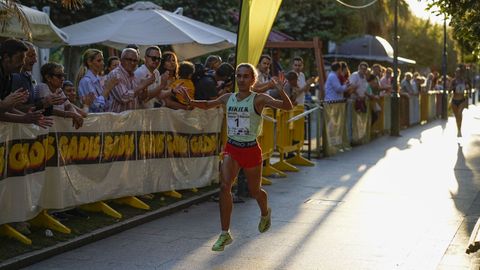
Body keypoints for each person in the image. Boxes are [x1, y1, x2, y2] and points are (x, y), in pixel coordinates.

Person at [182, 63, 293, 252]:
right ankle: (225, 233)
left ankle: (265, 212)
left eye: (245, 76)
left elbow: (287, 107)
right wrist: (189, 100)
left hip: (250, 149)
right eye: (238, 76)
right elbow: (208, 105)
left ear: (252, 80)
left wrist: (281, 91)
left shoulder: (259, 99)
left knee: (255, 191)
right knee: (225, 186)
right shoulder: (228, 98)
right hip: (232, 148)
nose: (241, 80)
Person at [35, 62, 84, 129]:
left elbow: (68, 106)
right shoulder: (42, 87)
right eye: (59, 76)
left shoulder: (59, 89)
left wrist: (75, 115)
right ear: (48, 78)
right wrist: (72, 114)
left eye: (63, 75)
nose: (63, 78)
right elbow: (49, 110)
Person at [450, 67, 470, 137]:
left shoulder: (464, 81)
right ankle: (458, 129)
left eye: (459, 73)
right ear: (455, 73)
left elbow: (468, 90)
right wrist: (453, 87)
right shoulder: (453, 81)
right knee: (456, 116)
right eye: (456, 72)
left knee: (459, 113)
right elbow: (449, 90)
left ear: (461, 74)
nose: (457, 74)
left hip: (461, 100)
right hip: (454, 100)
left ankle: (459, 130)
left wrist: (467, 94)